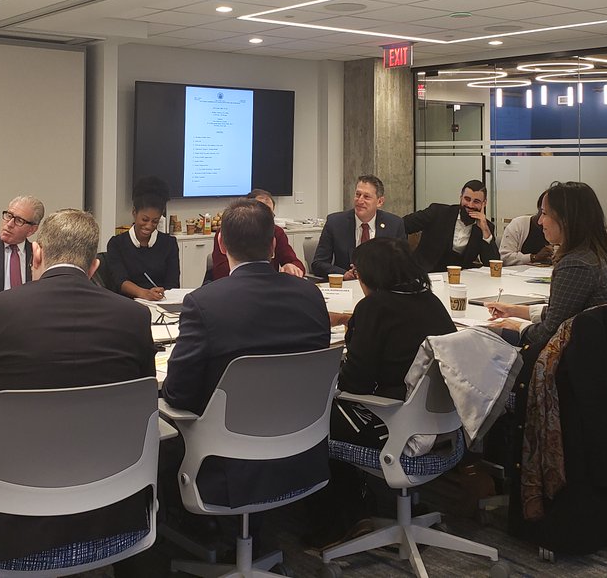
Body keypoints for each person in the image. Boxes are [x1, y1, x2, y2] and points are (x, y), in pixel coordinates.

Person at [0, 209, 156, 569]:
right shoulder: (134, 317)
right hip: (111, 511)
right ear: (94, 267)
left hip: (12, 524)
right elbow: (144, 406)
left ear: (36, 254)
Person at [163, 198, 331, 507]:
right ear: (273, 246)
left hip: (229, 463)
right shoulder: (311, 295)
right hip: (304, 452)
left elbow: (178, 394)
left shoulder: (204, 303)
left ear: (221, 244)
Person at [308, 236, 457, 546]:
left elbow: (354, 384)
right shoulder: (431, 301)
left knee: (316, 413)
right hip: (443, 426)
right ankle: (379, 503)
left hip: (396, 425)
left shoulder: (374, 307)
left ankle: (346, 516)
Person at [487, 182, 607, 350]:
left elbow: (549, 334)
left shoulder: (576, 264)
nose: (540, 221)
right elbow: (563, 313)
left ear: (565, 220)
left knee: (484, 338)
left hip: (579, 357)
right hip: (603, 350)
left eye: (544, 213)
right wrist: (515, 310)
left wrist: (517, 327)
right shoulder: (596, 255)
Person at [310, 175, 405, 280]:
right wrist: (344, 274)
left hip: (382, 285)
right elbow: (318, 264)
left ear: (380, 202)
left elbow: (403, 265)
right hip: (347, 285)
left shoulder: (394, 224)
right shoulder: (335, 223)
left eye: (366, 197)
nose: (360, 201)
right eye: (358, 194)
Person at [404, 179, 500, 274]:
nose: (470, 205)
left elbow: (493, 266)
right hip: (424, 274)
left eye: (476, 201)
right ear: (461, 197)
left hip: (460, 278)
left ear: (484, 203)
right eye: (467, 199)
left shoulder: (486, 227)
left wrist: (485, 230)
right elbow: (403, 224)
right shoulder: (438, 212)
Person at [106, 177, 180, 300]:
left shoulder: (169, 244)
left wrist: (161, 293)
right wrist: (144, 293)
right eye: (145, 220)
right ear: (134, 212)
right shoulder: (117, 244)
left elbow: (173, 283)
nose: (149, 226)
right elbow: (119, 281)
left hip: (160, 302)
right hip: (127, 303)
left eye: (155, 221)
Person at [209, 188, 304, 280]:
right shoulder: (228, 230)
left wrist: (292, 267)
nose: (264, 218)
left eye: (269, 215)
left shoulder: (276, 232)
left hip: (268, 284)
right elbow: (220, 272)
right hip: (234, 284)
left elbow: (295, 262)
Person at [499, 192, 555, 266]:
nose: (541, 221)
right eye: (544, 213)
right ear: (539, 208)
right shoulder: (518, 225)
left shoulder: (560, 231)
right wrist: (534, 257)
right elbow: (505, 258)